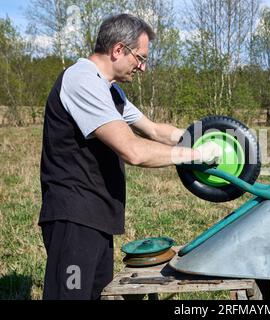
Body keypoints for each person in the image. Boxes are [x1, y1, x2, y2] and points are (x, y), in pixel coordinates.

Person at [39, 13, 222, 300]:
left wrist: (211, 134)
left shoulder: (110, 91)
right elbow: (133, 150)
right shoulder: (81, 80)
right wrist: (196, 155)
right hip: (73, 219)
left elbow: (154, 130)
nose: (143, 67)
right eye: (140, 57)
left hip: (97, 217)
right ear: (118, 50)